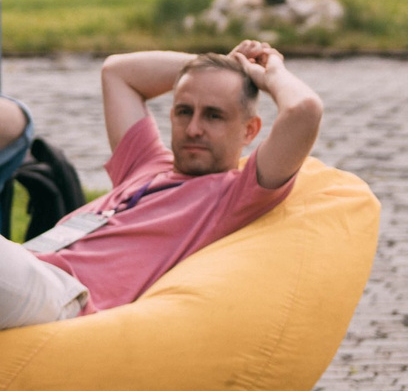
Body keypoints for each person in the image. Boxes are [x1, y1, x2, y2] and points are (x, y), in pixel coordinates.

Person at [0, 43, 322, 331]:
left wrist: (269, 72)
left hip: (61, 295)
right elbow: (118, 72)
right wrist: (218, 66)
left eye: (214, 116)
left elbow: (304, 110)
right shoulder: (146, 163)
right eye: (184, 112)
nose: (194, 128)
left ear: (250, 130)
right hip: (27, 265)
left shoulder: (235, 195)